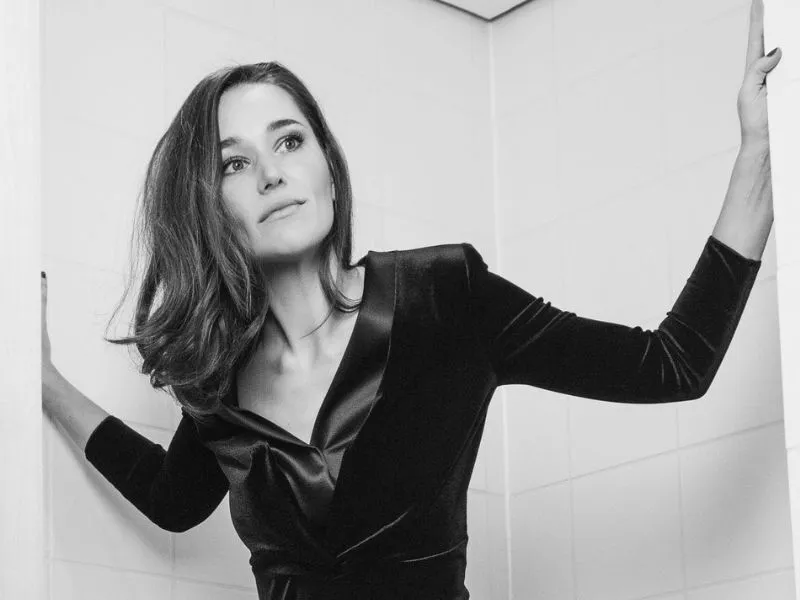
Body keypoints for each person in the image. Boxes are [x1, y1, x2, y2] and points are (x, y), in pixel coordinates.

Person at [41, 2, 782, 598]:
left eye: (290, 141)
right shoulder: (214, 382)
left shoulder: (445, 297)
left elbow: (672, 364)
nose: (270, 173)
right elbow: (172, 498)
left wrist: (758, 154)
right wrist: (40, 380)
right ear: (210, 207)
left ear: (330, 172)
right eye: (234, 162)